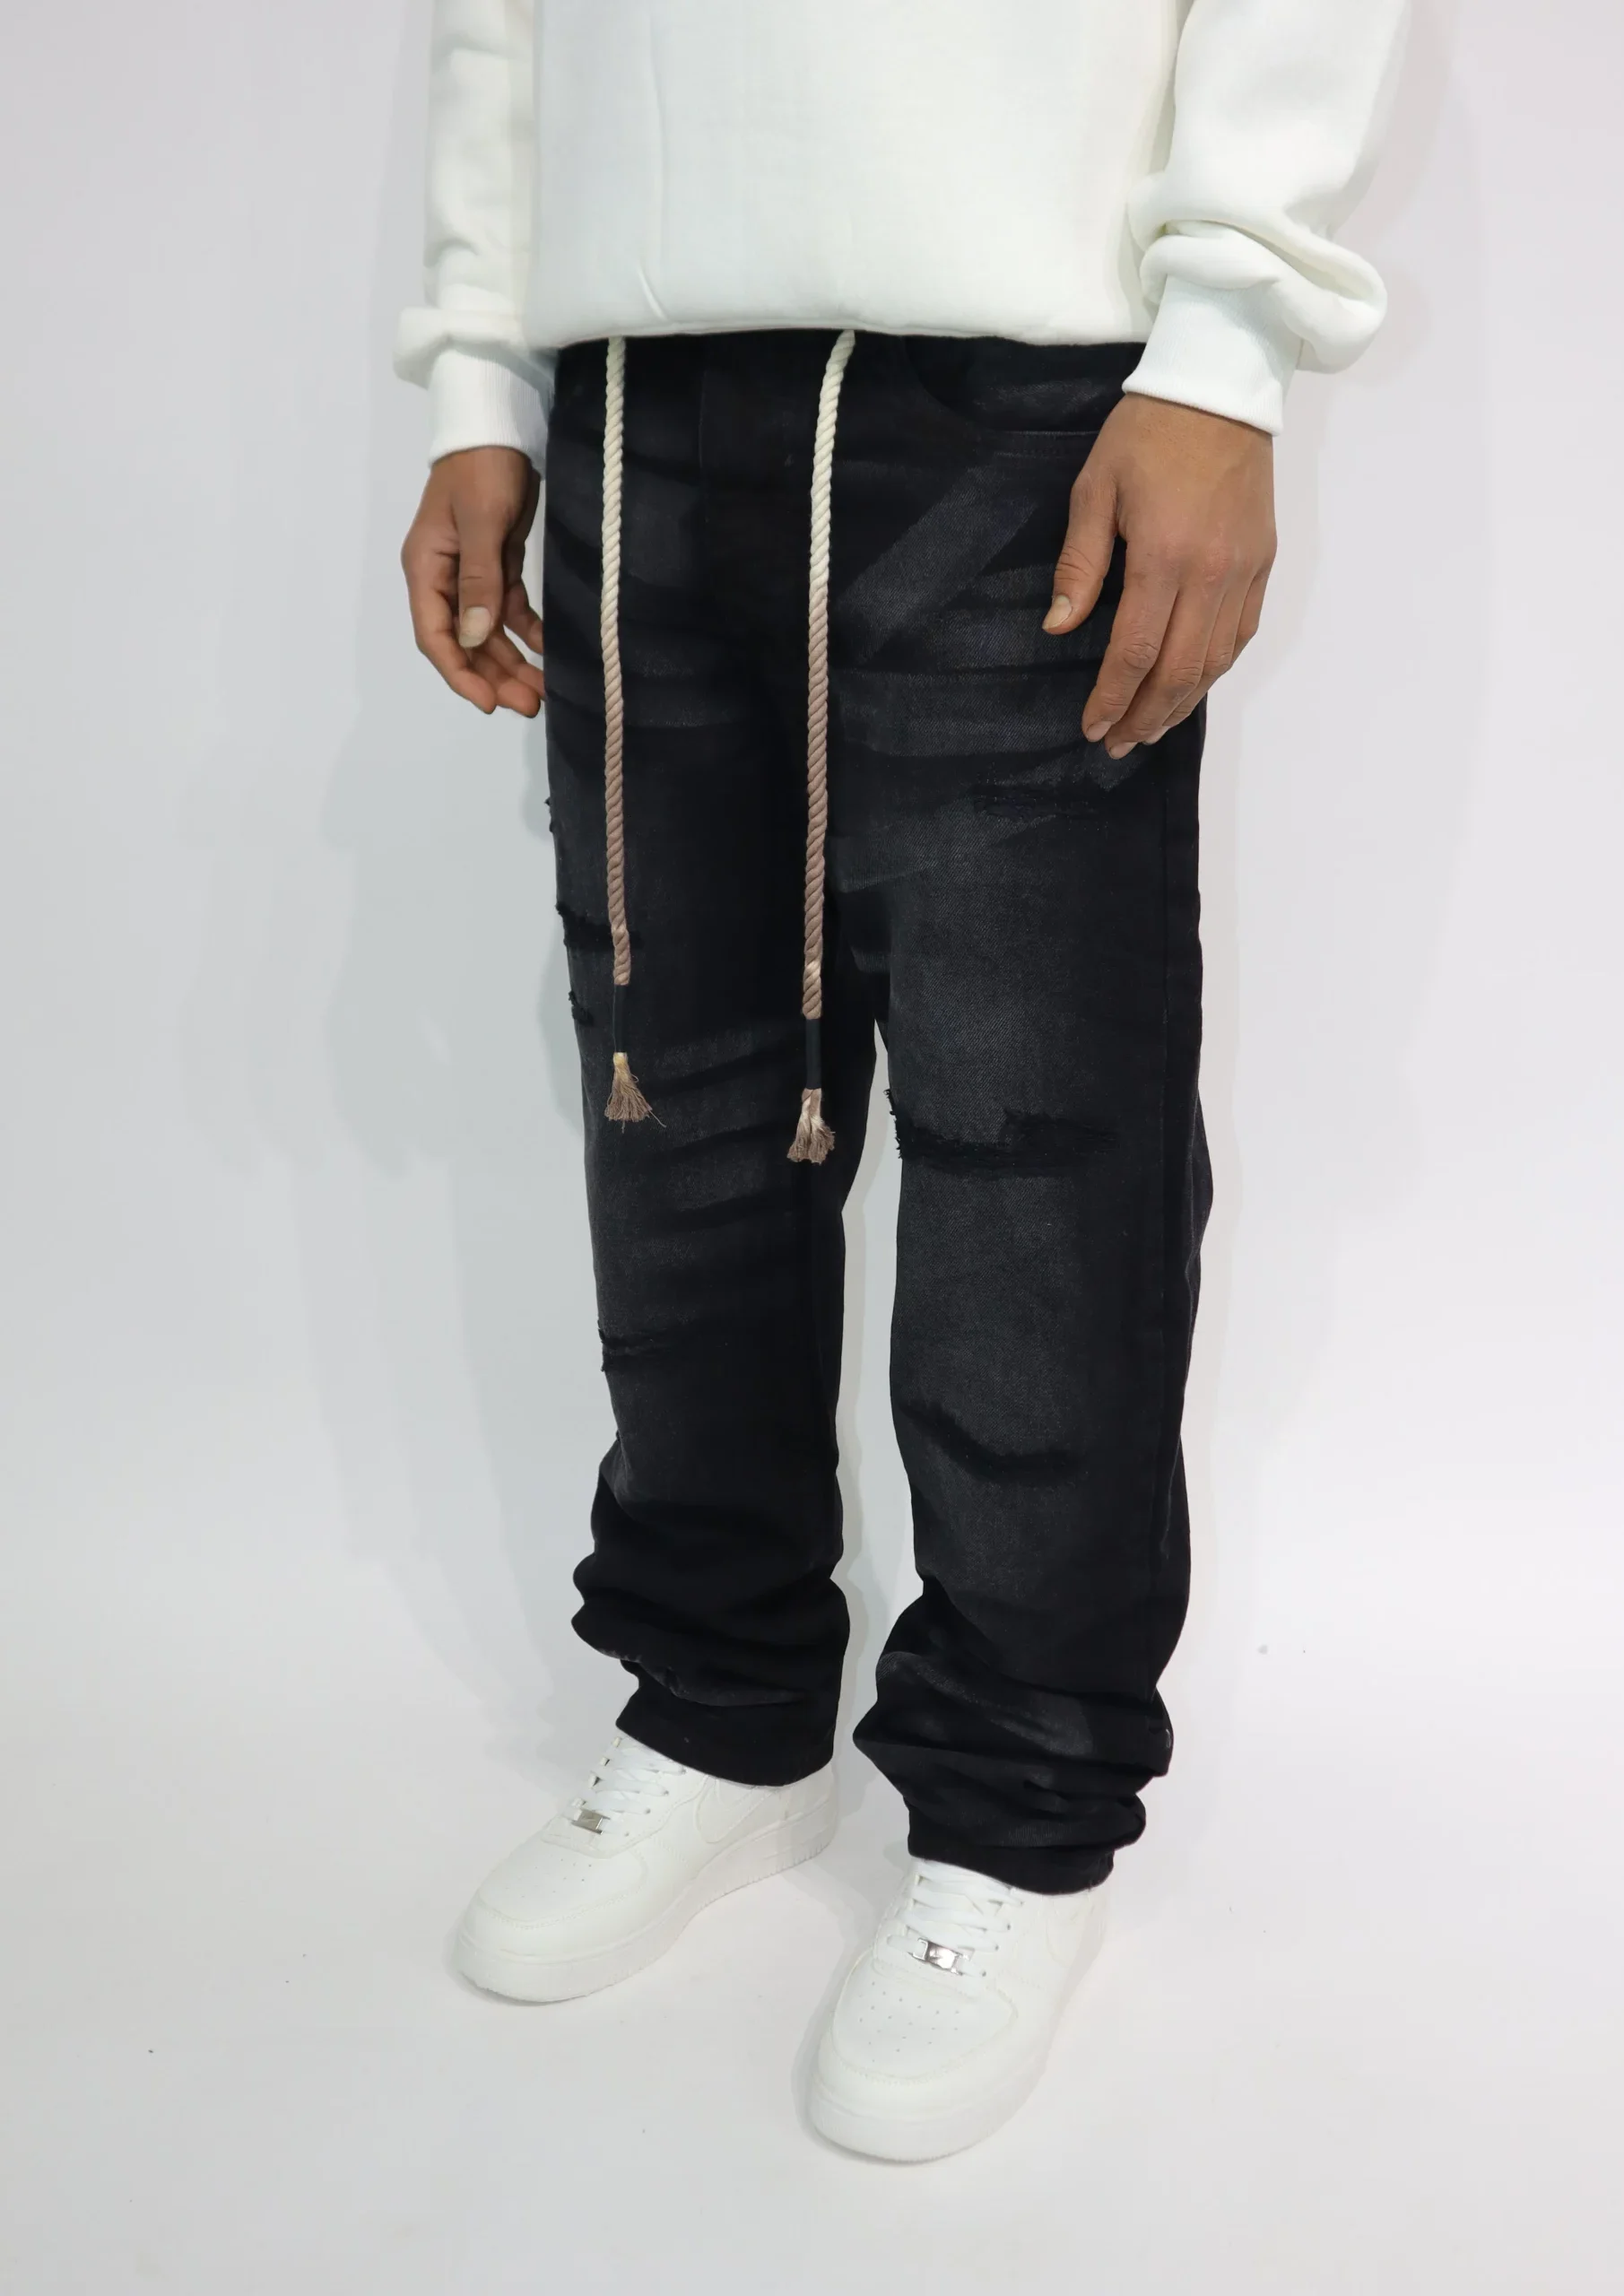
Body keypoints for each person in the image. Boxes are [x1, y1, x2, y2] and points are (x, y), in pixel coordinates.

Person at [396, 0, 1405, 2161]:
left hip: (1018, 381)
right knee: (674, 1103)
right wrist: (483, 365)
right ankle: (720, 1699)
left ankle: (1018, 1806)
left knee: (1031, 1136)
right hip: (638, 380)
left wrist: (1224, 341)